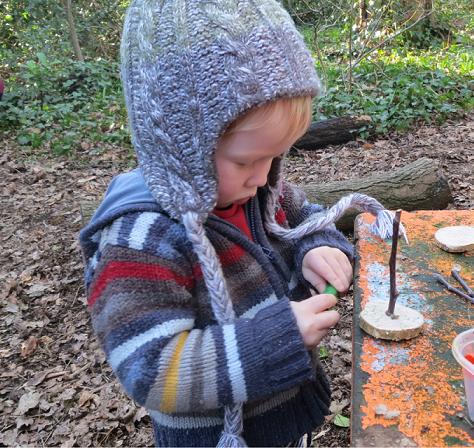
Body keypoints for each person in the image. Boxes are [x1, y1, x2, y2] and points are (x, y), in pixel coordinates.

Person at [79, 0, 402, 446]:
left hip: (285, 422)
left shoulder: (258, 189)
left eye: (276, 155)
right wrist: (277, 339)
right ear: (179, 144)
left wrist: (318, 247)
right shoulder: (143, 238)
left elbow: (305, 217)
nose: (265, 174)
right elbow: (149, 369)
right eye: (246, 160)